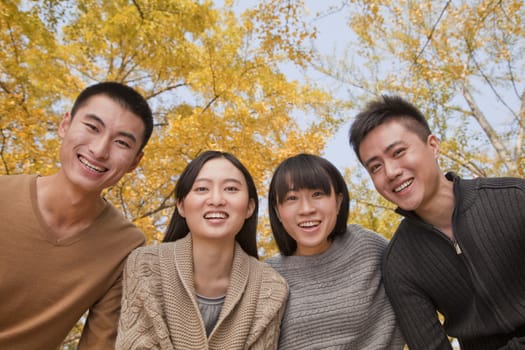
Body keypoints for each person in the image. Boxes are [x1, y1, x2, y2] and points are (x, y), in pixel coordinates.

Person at [349, 94, 525, 349]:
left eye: (398, 152)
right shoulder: (400, 263)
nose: (391, 172)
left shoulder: (515, 198)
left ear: (432, 145)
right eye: (375, 167)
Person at [0, 82, 154, 349]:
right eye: (92, 128)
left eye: (121, 142)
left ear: (134, 162)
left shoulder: (125, 246)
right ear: (65, 125)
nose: (99, 149)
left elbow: (100, 343)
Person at [116, 150, 289, 349]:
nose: (216, 200)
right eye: (202, 189)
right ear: (180, 205)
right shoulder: (145, 265)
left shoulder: (271, 286)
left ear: (250, 207)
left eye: (231, 189)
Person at [265, 153, 404, 349]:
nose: (306, 209)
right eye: (292, 198)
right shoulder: (266, 277)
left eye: (317, 194)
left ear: (338, 202)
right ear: (278, 211)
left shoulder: (368, 247)